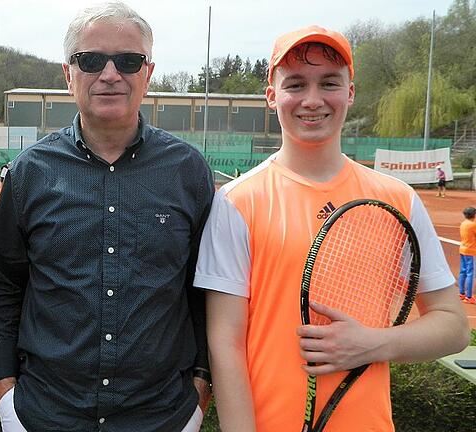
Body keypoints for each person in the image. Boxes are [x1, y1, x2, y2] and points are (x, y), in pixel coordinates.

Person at [194, 25, 470, 431]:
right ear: (272, 97)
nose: (312, 100)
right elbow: (226, 343)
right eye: (295, 84)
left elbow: (453, 325)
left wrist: (373, 344)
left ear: (350, 93)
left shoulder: (399, 198)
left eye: (329, 83)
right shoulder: (237, 203)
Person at [0, 2, 213, 431]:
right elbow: (4, 287)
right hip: (44, 415)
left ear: (148, 74)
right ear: (69, 74)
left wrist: (200, 394)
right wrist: (6, 397)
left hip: (163, 417)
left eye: (128, 61)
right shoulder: (30, 171)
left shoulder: (188, 171)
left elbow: (206, 292)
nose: (110, 73)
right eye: (92, 60)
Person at [459, 207, 476, 304]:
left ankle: (462, 293)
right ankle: (469, 296)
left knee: (463, 272)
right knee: (471, 273)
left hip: (463, 249)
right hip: (471, 251)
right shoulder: (473, 225)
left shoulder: (463, 223)